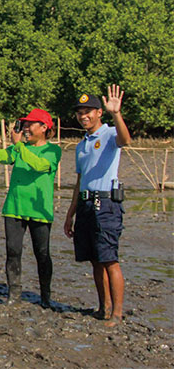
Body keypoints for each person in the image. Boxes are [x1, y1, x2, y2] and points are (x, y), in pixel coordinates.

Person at [0, 109, 61, 308]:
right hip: (14, 207)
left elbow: (39, 166)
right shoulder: (20, 148)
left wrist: (19, 145)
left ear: (44, 127)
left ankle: (45, 296)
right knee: (13, 251)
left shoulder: (53, 150)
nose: (26, 128)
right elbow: (1, 157)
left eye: (31, 124)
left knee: (42, 253)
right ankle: (14, 294)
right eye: (25, 124)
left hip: (40, 210)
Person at [64, 86, 131, 326]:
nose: (84, 116)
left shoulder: (110, 133)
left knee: (109, 258)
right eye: (80, 112)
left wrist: (117, 114)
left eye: (88, 111)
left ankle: (117, 313)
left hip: (106, 204)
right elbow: (80, 180)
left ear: (99, 112)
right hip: (85, 204)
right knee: (94, 259)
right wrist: (71, 212)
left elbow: (125, 140)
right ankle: (104, 307)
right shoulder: (81, 145)